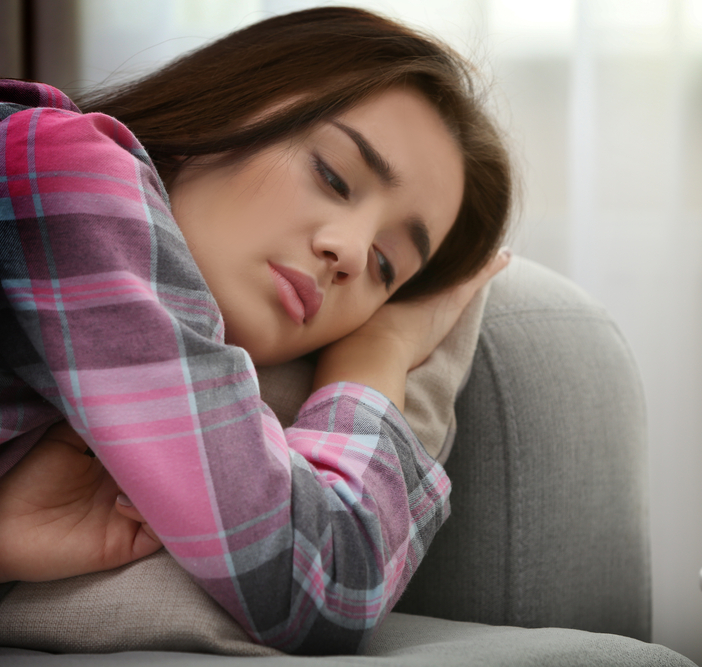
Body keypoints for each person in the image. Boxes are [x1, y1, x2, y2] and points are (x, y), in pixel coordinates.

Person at [0, 6, 512, 655]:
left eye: (387, 267)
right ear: (221, 112)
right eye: (332, 175)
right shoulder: (68, 169)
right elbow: (319, 586)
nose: (351, 253)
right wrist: (380, 353)